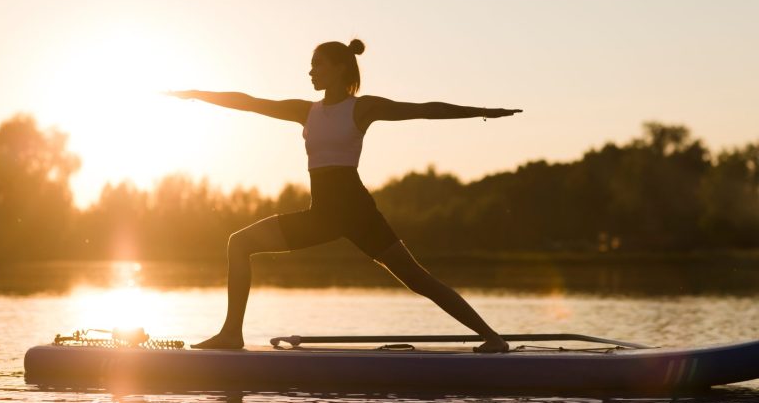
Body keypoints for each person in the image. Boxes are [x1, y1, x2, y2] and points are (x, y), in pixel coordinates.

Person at [167, 39, 522, 352]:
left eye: (317, 64)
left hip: (357, 213)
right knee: (239, 242)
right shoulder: (305, 111)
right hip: (320, 216)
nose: (310, 71)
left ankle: (493, 337)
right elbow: (250, 102)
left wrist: (483, 112)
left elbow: (425, 109)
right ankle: (231, 334)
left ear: (338, 68)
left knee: (418, 279)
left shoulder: (362, 108)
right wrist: (197, 93)